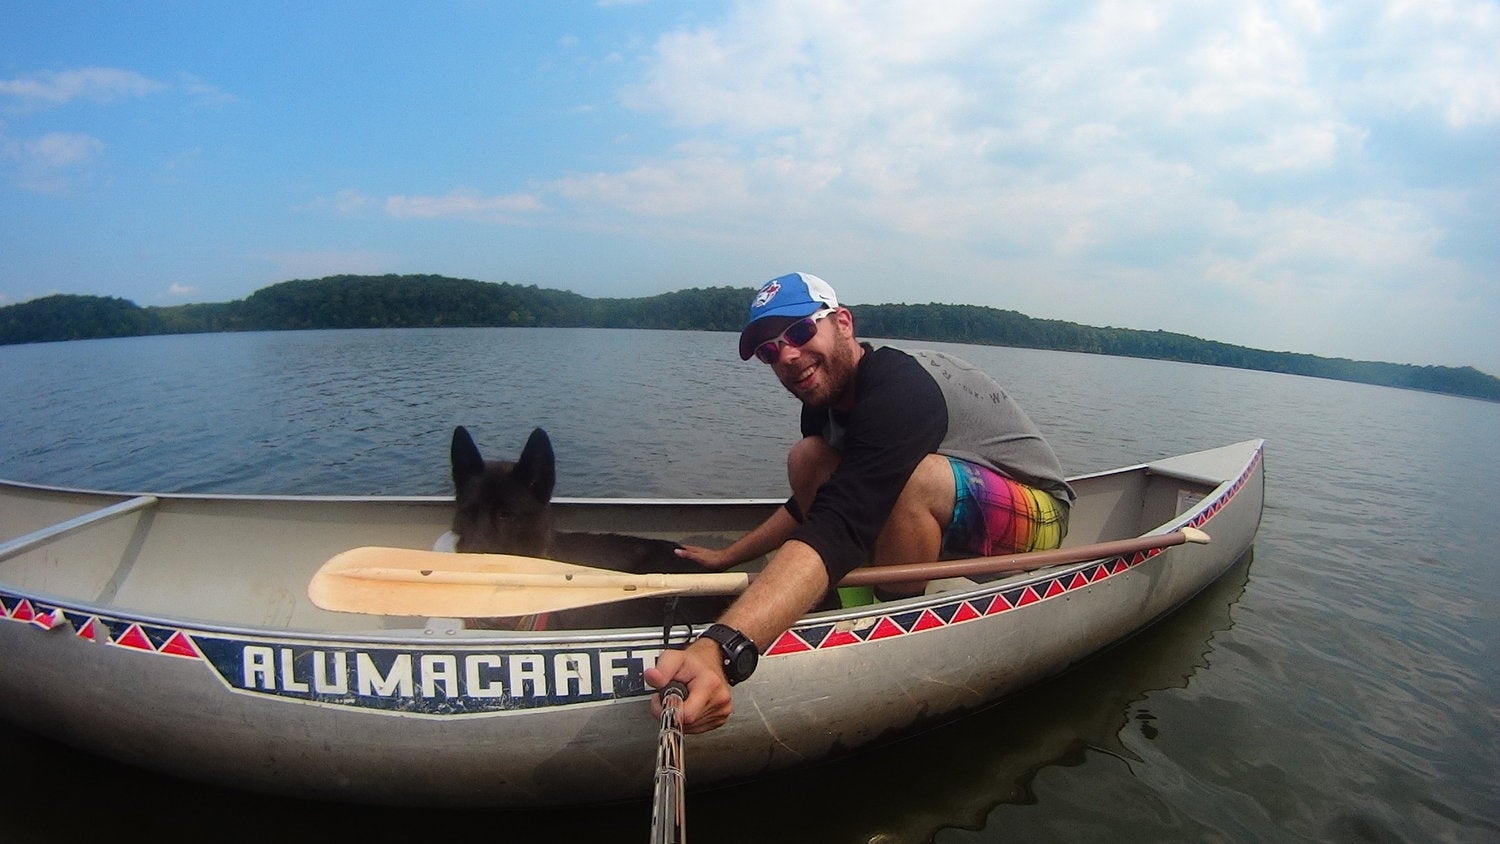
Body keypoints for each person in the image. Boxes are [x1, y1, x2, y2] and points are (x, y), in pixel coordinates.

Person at [645, 272, 1075, 733]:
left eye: (800, 331)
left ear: (843, 323)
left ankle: (891, 625)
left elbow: (842, 523)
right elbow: (822, 502)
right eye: (770, 352)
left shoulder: (900, 388)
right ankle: (852, 606)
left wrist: (721, 647)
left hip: (1037, 516)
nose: (788, 356)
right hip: (951, 511)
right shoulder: (820, 399)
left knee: (915, 480)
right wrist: (728, 556)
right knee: (808, 457)